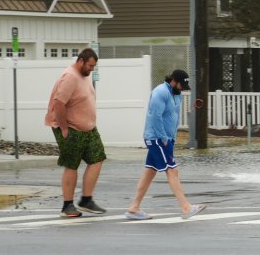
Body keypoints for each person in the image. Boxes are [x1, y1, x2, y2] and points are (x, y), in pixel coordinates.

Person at [125, 69, 206, 220]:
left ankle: (134, 208)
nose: (182, 89)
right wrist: (164, 138)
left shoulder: (177, 94)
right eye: (181, 86)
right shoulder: (160, 93)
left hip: (166, 138)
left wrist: (172, 137)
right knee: (172, 170)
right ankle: (186, 207)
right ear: (174, 81)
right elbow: (155, 117)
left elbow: (172, 115)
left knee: (150, 172)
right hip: (157, 138)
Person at [44, 48, 107, 218]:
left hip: (88, 128)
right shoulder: (70, 76)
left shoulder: (84, 76)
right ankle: (67, 205)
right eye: (90, 65)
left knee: (97, 158)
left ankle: (86, 200)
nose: (92, 69)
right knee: (72, 165)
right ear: (81, 61)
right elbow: (58, 104)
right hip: (70, 128)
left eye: (94, 66)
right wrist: (64, 128)